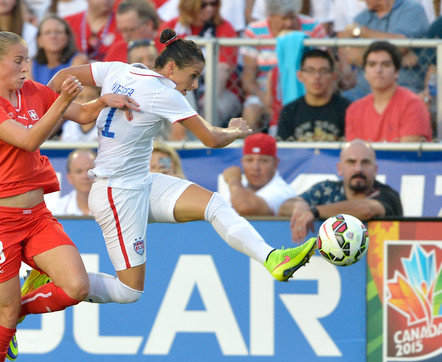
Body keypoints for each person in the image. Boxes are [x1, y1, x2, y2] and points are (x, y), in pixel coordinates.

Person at [44, 29, 317, 314]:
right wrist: (235, 131)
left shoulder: (119, 71)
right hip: (117, 193)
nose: (195, 85)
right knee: (129, 291)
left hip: (139, 182)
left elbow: (58, 80)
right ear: (172, 68)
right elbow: (211, 138)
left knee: (213, 204)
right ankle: (53, 279)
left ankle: (272, 258)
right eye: (194, 75)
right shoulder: (163, 92)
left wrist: (77, 107)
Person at [0, 30, 139, 362]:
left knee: (74, 287)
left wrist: (102, 101)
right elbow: (28, 140)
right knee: (1, 316)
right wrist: (62, 100)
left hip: (36, 215)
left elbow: (84, 114)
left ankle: (17, 313)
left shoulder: (37, 93)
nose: (26, 67)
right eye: (18, 60)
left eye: (27, 60)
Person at [278, 139, 403, 243]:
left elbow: (366, 209)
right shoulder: (326, 189)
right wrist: (299, 204)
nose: (358, 169)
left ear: (375, 170)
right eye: (351, 162)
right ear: (339, 168)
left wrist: (315, 211)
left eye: (365, 163)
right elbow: (283, 207)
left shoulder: (388, 195)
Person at [241, 0, 327, 132]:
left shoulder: (313, 27)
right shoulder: (254, 31)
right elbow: (248, 78)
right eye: (283, 18)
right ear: (271, 15)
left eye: (292, 17)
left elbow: (328, 62)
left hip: (306, 90)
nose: (289, 23)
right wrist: (266, 99)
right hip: (264, 91)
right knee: (251, 114)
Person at [163, 0, 241, 126]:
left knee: (213, 108)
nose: (210, 9)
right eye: (204, 5)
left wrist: (206, 103)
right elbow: (165, 66)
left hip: (221, 91)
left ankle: (204, 130)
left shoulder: (224, 27)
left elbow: (225, 68)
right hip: (181, 89)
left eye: (214, 4)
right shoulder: (171, 27)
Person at [337, 0, 429, 100]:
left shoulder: (412, 9)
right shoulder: (362, 17)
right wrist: (397, 58)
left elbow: (400, 46)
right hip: (363, 89)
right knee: (342, 103)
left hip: (403, 87)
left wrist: (362, 31)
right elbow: (351, 56)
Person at [345, 41, 432, 143]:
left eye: (385, 65)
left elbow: (408, 156)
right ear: (365, 73)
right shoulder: (354, 110)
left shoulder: (413, 105)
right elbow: (352, 154)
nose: (378, 70)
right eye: (372, 64)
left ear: (396, 72)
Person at [277, 49, 350, 142]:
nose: (317, 76)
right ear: (300, 76)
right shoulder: (289, 111)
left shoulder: (347, 110)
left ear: (333, 76)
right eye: (310, 70)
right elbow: (284, 152)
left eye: (323, 71)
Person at [221, 133, 295, 216]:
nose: (255, 167)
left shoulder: (283, 191)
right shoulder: (239, 188)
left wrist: (233, 181)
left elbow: (245, 207)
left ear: (275, 164)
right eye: (249, 160)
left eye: (263, 160)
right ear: (242, 162)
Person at [31, 14, 88, 86]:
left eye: (58, 32)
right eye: (47, 32)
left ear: (67, 37)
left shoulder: (79, 60)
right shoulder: (31, 64)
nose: (53, 36)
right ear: (39, 40)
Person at [51, 148, 96, 216]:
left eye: (90, 171)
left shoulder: (115, 208)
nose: (85, 176)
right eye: (79, 171)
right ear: (69, 178)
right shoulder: (56, 212)